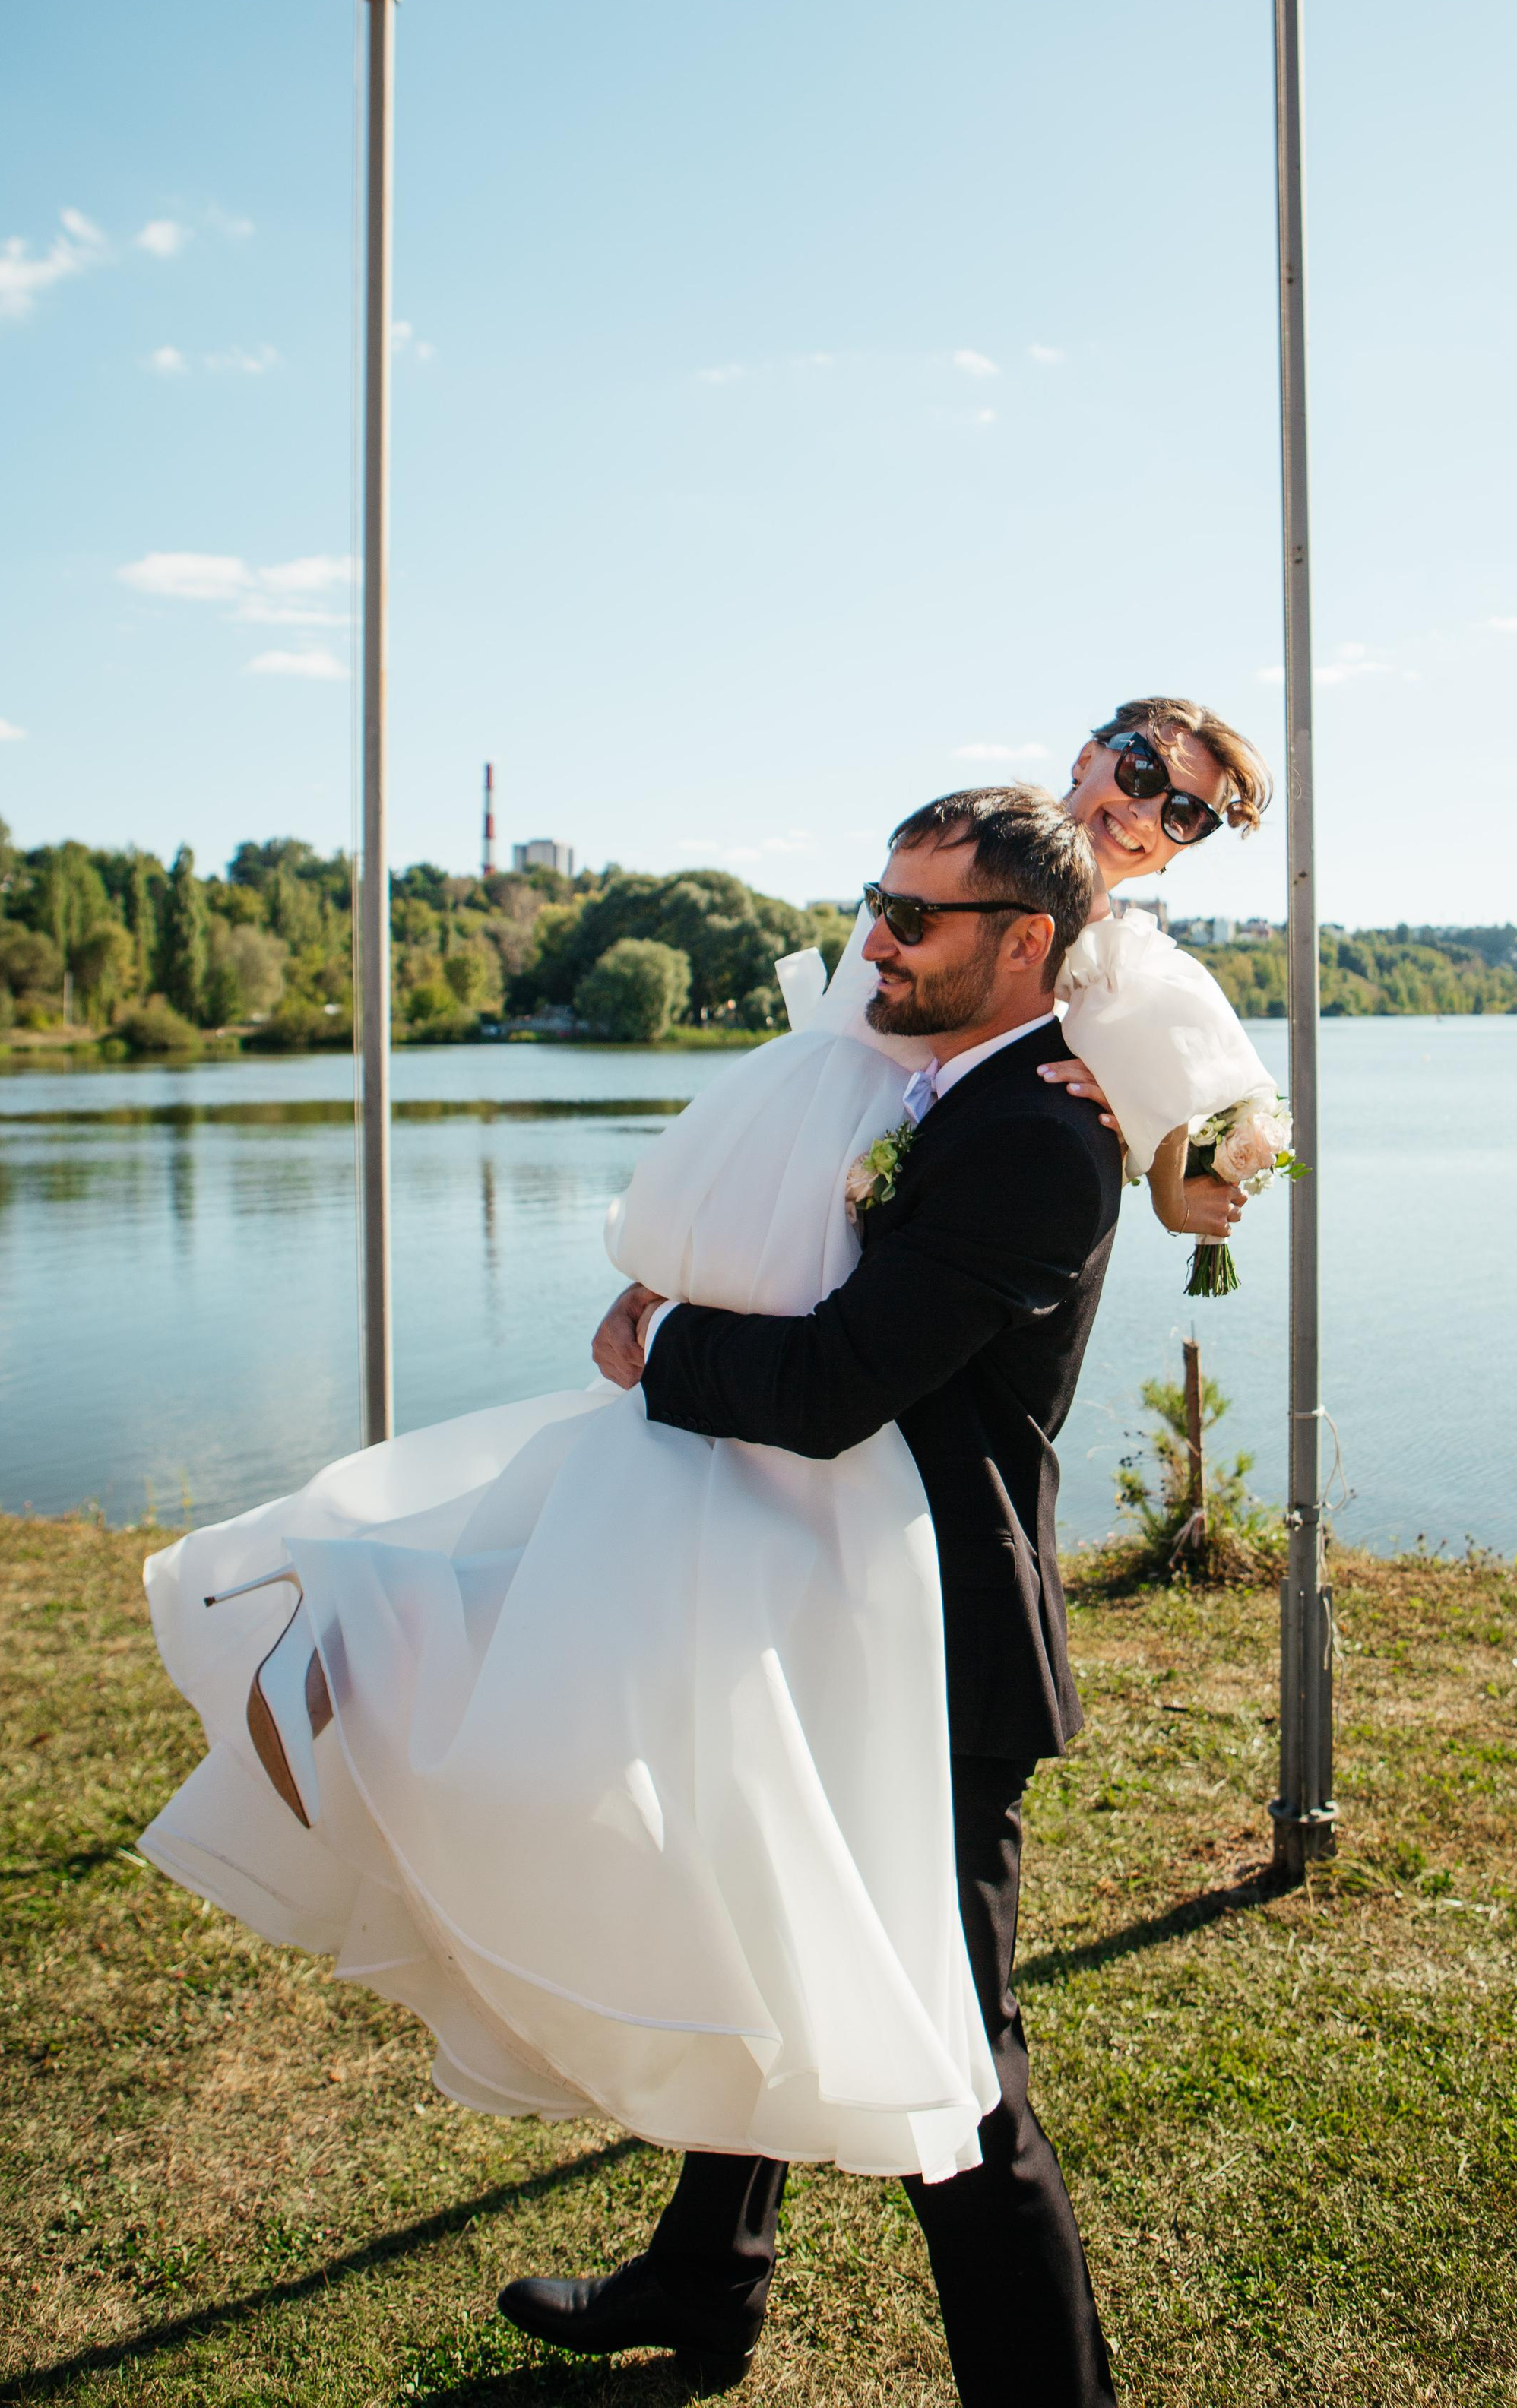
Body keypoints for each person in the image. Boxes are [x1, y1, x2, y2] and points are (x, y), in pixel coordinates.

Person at [137, 702, 1279, 2373]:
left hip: (923, 1619)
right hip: (771, 1564)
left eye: (1171, 803)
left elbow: (838, 1377)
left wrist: (663, 1342)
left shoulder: (1055, 1112)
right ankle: (704, 2281)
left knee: (955, 2072)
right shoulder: (931, 1045)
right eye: (1122, 758)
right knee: (751, 1917)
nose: (874, 940)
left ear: (1036, 935)